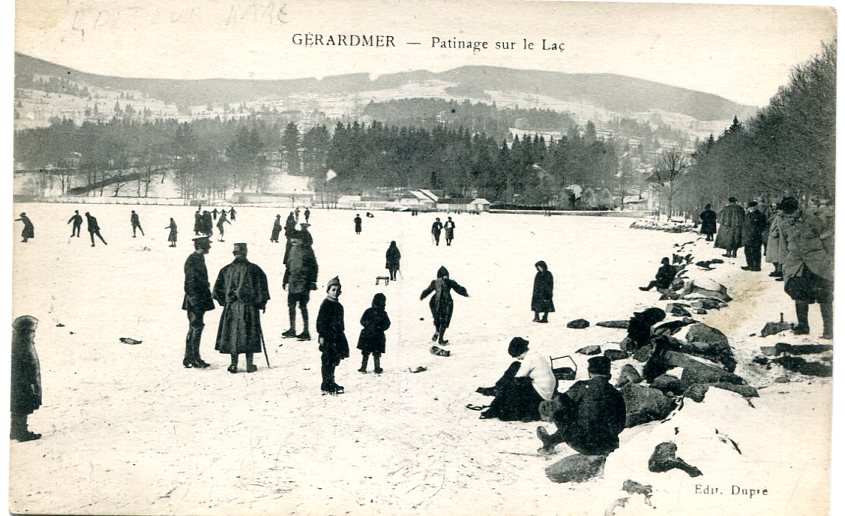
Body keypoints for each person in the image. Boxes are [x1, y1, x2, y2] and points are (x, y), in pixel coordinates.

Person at [536, 356, 626, 456]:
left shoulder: (581, 386)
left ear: (589, 372)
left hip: (583, 444)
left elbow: (558, 405)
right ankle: (551, 440)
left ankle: (551, 441)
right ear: (609, 375)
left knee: (563, 410)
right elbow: (620, 425)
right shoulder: (616, 394)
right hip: (609, 445)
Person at [780, 196, 834, 339]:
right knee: (799, 293)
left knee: (824, 296)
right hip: (797, 265)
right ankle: (803, 326)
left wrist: (830, 258)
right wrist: (785, 264)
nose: (790, 215)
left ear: (798, 209)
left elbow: (828, 238)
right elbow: (784, 245)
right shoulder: (784, 224)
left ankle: (829, 330)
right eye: (787, 213)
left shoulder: (812, 220)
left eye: (792, 212)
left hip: (817, 263)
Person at [212, 243, 271, 373]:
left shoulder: (225, 269)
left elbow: (216, 291)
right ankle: (250, 365)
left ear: (234, 253)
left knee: (233, 334)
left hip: (231, 308)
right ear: (246, 252)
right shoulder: (254, 269)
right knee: (249, 333)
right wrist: (261, 303)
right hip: (249, 308)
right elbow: (262, 288)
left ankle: (233, 364)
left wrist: (226, 302)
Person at [478, 337, 556, 422]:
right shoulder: (535, 355)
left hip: (540, 395)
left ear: (518, 353)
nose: (518, 358)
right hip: (546, 392)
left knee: (512, 383)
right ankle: (498, 394)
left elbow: (517, 379)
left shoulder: (529, 359)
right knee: (515, 369)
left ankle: (494, 406)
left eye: (516, 356)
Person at [182, 237, 215, 368]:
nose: (210, 248)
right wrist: (194, 299)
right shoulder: (193, 260)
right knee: (196, 327)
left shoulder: (199, 258)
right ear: (201, 246)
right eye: (208, 245)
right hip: (195, 299)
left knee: (195, 327)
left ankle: (190, 357)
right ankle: (194, 358)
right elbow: (189, 282)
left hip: (198, 298)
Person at [282, 229, 319, 341]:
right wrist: (285, 280)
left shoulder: (307, 251)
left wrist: (313, 281)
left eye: (296, 238)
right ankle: (292, 329)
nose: (293, 240)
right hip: (293, 281)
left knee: (302, 306)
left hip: (304, 282)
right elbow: (288, 267)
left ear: (302, 240)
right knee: (291, 306)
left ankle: (306, 331)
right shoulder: (291, 250)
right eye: (292, 238)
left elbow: (314, 266)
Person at [11, 315, 42, 442]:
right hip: (22, 382)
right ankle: (20, 432)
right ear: (25, 331)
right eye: (32, 331)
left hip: (23, 381)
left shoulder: (22, 342)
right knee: (21, 405)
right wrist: (30, 382)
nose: (34, 333)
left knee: (20, 405)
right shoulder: (21, 344)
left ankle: (16, 430)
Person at [317, 276, 349, 394]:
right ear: (328, 290)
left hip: (337, 337)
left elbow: (341, 324)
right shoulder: (326, 305)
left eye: (337, 290)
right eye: (333, 290)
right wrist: (322, 336)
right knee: (327, 360)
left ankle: (331, 381)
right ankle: (326, 384)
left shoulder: (339, 306)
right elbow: (320, 322)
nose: (335, 292)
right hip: (327, 337)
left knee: (334, 360)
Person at [420, 266, 469, 345]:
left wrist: (423, 296)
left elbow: (428, 290)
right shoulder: (449, 281)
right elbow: (458, 288)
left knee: (437, 318)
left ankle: (437, 331)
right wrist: (465, 293)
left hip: (435, 302)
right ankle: (441, 339)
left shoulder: (435, 282)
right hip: (446, 302)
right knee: (445, 320)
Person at [357, 293, 391, 374]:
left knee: (367, 352)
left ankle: (364, 367)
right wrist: (379, 327)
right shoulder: (382, 313)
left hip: (369, 335)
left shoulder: (369, 311)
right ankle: (376, 368)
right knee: (375, 353)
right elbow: (387, 324)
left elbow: (362, 321)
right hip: (376, 336)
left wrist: (369, 325)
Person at [741, 201, 767, 271]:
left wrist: (757, 232)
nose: (750, 208)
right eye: (750, 207)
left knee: (756, 251)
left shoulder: (760, 215)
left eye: (752, 207)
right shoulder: (748, 215)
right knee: (747, 251)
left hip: (756, 236)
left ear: (756, 207)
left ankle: (756, 266)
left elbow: (763, 226)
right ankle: (750, 265)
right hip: (748, 236)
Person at [766, 202, 787, 279]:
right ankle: (777, 270)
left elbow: (780, 227)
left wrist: (774, 233)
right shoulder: (776, 215)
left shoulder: (780, 216)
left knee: (777, 256)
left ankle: (780, 271)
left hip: (777, 239)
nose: (775, 209)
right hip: (774, 239)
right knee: (775, 257)